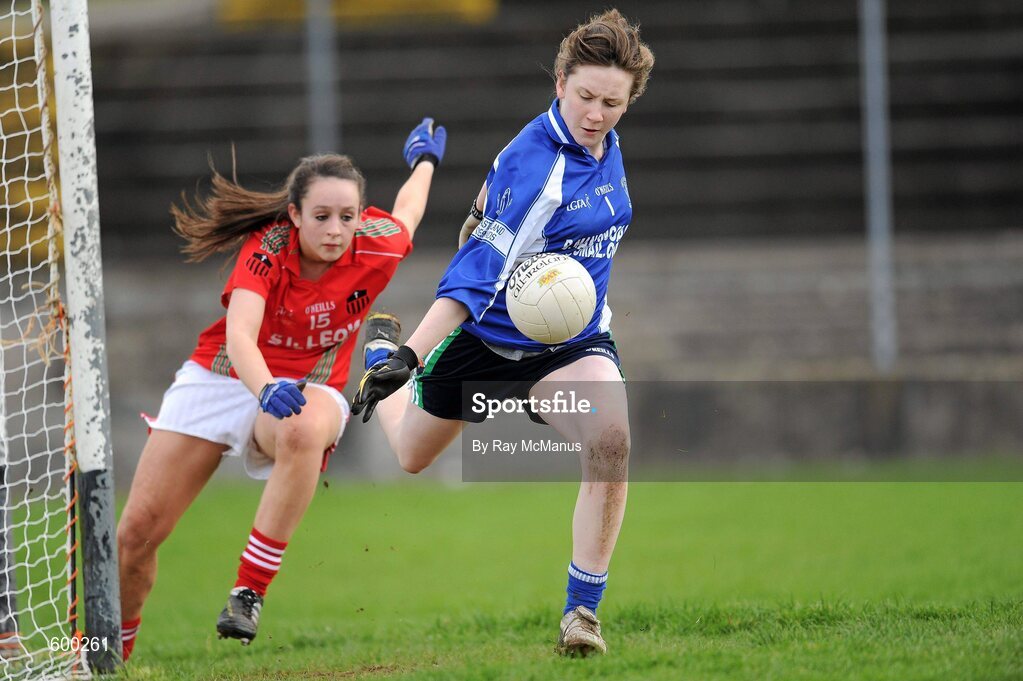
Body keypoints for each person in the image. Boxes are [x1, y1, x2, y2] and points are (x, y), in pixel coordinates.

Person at [352, 9, 654, 657]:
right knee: (411, 454)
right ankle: (378, 351)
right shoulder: (535, 166)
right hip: (484, 341)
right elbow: (470, 278)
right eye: (585, 97)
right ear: (558, 82)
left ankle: (581, 615)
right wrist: (407, 354)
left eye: (612, 102)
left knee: (610, 438)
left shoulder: (603, 142)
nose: (597, 114)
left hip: (570, 346)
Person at [114, 118, 447, 660]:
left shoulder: (377, 246)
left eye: (347, 216)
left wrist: (425, 161)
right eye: (321, 216)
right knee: (135, 538)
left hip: (308, 385)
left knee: (305, 428)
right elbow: (241, 335)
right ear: (294, 215)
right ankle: (110, 657)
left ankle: (249, 591)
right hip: (224, 376)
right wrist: (265, 386)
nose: (336, 229)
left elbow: (409, 210)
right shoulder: (268, 247)